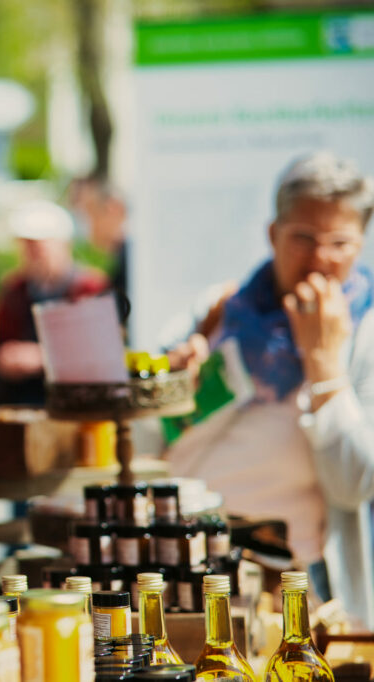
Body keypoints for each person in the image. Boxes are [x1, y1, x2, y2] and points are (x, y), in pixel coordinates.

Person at [166, 151, 374, 630]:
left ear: (360, 245)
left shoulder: (363, 336)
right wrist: (176, 382)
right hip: (191, 564)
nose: (320, 258)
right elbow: (154, 436)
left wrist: (324, 364)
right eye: (304, 238)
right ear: (272, 234)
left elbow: (354, 483)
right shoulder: (220, 310)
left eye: (339, 242)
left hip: (294, 586)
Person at [0, 199, 109, 406]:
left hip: (77, 403)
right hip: (23, 400)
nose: (31, 254)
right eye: (26, 246)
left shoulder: (89, 289)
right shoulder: (15, 291)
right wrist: (5, 357)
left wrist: (43, 358)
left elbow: (99, 354)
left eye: (38, 246)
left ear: (62, 244)